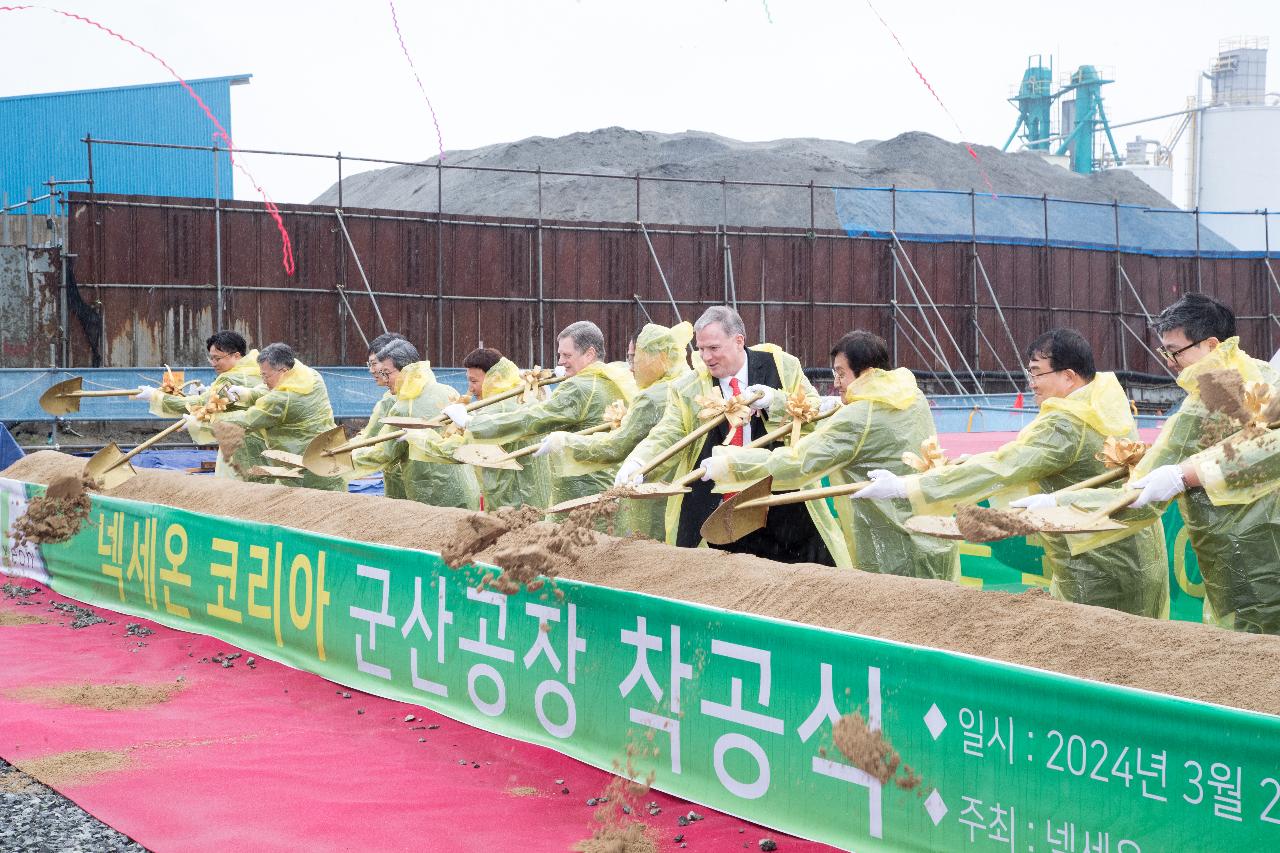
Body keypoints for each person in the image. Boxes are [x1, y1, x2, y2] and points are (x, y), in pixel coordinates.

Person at [856, 328, 1168, 617]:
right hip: (1134, 550)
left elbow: (1004, 468)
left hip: (1099, 564)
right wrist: (973, 462)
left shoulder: (1067, 423)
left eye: (1037, 373)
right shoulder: (1104, 401)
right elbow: (1023, 459)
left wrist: (909, 486)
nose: (1031, 382)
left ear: (1069, 377)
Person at [1037, 295, 1280, 633]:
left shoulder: (1205, 405)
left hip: (1242, 560)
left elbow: (1141, 497)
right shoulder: (1262, 375)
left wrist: (1058, 505)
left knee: (1254, 652)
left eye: (1174, 350)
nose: (1169, 361)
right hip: (1264, 547)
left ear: (1210, 344)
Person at [703, 330, 957, 579]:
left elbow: (799, 462)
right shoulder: (911, 395)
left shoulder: (859, 416)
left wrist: (731, 464)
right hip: (932, 538)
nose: (835, 383)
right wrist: (778, 402)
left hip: (890, 548)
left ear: (865, 374)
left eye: (840, 374)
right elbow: (849, 432)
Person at [616, 305, 844, 565]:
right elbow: (667, 434)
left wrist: (775, 401)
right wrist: (639, 462)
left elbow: (813, 414)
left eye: (714, 348)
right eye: (700, 349)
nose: (706, 357)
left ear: (738, 341)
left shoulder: (782, 367)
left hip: (781, 502)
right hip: (718, 511)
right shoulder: (688, 388)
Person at [442, 321, 635, 509]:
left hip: (580, 493)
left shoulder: (579, 388)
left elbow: (531, 420)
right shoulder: (611, 378)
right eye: (560, 355)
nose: (560, 362)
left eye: (567, 355)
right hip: (605, 485)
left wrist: (471, 423)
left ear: (589, 354)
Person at [535, 321, 694, 539]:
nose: (631, 367)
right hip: (685, 493)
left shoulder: (650, 397)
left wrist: (565, 442)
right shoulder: (688, 382)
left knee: (648, 555)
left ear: (654, 357)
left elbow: (616, 445)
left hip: (653, 498)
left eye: (634, 358)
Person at [351, 339, 480, 509]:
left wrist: (345, 459)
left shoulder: (403, 408)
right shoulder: (447, 390)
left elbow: (383, 453)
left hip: (432, 498)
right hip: (466, 491)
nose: (385, 379)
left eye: (387, 373)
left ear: (406, 370)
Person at [132, 330, 262, 479]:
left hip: (240, 445)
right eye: (211, 358)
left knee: (237, 486)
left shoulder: (231, 378)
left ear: (236, 355)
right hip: (257, 441)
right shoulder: (255, 371)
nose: (213, 363)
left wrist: (156, 397)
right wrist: (207, 392)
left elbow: (198, 404)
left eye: (217, 358)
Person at [217, 342, 345, 491]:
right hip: (331, 455)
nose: (263, 380)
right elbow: (275, 390)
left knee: (309, 505)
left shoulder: (282, 399)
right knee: (338, 503)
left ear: (283, 371)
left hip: (304, 465)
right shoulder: (309, 374)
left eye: (265, 375)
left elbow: (249, 420)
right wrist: (248, 394)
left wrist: (208, 420)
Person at [356, 332, 409, 499]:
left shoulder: (401, 401)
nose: (372, 371)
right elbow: (370, 436)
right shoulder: (389, 398)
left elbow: (382, 450)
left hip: (414, 485)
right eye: (369, 364)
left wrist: (344, 458)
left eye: (374, 364)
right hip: (400, 483)